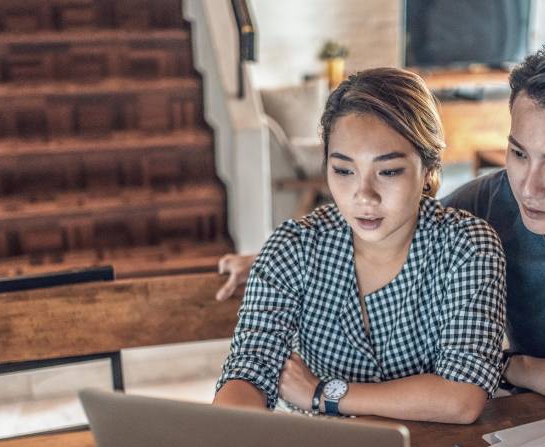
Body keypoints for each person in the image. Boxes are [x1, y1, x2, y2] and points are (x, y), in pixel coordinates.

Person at [216, 35, 545, 427]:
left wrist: (504, 367)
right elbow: (391, 225)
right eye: (518, 153)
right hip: (525, 422)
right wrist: (268, 259)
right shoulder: (492, 200)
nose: (529, 186)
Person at [213, 68, 507, 424]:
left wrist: (323, 393)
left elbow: (462, 397)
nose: (363, 196)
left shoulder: (467, 248)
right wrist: (225, 436)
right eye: (343, 170)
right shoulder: (293, 247)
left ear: (429, 168)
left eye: (389, 171)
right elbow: (250, 368)